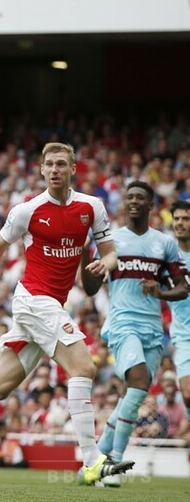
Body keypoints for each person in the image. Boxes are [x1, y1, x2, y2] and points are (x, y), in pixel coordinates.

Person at [0, 142, 134, 486]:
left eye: (62, 164)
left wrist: (105, 263)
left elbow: (111, 252)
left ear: (73, 168)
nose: (55, 169)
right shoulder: (27, 210)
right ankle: (92, 461)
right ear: (42, 170)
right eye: (50, 164)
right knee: (84, 367)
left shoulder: (92, 207)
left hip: (52, 305)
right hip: (33, 299)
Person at [83, 184, 188, 487]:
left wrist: (161, 292)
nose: (133, 201)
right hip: (122, 323)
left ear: (151, 206)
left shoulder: (164, 244)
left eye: (140, 198)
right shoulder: (111, 241)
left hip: (153, 330)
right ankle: (114, 462)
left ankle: (93, 462)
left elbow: (183, 287)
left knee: (135, 394)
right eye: (129, 197)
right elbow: (90, 287)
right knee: (139, 382)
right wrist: (83, 257)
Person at [168, 200, 190, 428]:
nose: (180, 223)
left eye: (185, 219)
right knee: (188, 394)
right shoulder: (168, 257)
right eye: (177, 219)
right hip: (184, 337)